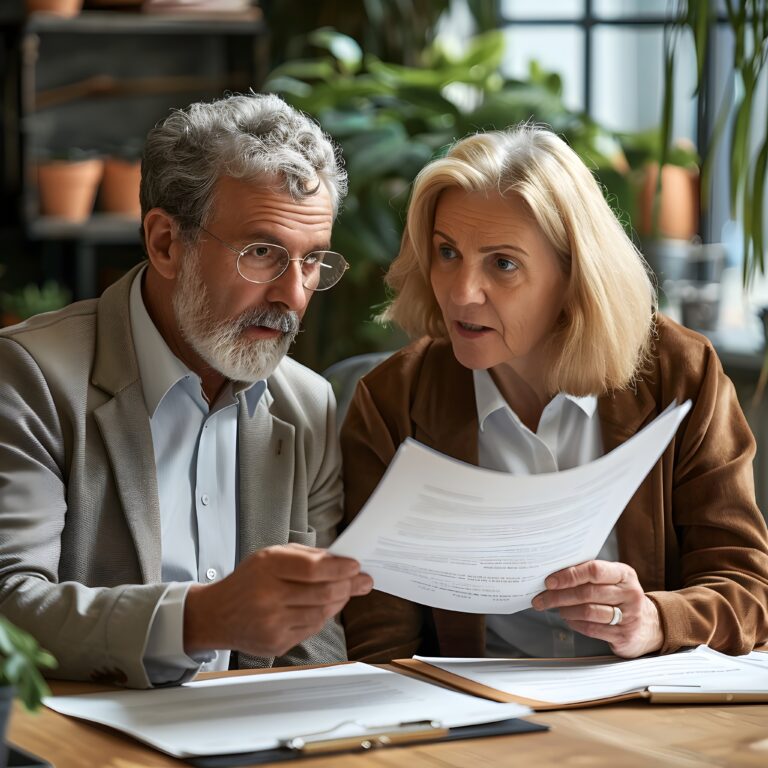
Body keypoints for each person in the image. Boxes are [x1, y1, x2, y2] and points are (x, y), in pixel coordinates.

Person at [340, 124, 768, 662]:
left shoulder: (681, 372)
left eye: (503, 263)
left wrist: (654, 621)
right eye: (447, 253)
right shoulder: (392, 401)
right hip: (478, 716)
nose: (461, 292)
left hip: (642, 704)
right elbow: (382, 645)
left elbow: (748, 588)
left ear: (573, 276)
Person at [0, 92, 373, 688]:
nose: (294, 296)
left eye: (312, 261)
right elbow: (9, 610)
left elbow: (313, 644)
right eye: (262, 252)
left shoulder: (309, 405)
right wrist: (199, 619)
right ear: (166, 244)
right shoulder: (32, 376)